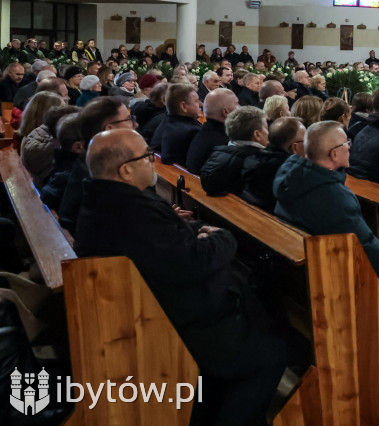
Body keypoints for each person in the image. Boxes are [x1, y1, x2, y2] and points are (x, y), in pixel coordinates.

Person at [74, 128, 288, 425]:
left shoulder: (108, 200)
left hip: (163, 307)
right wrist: (223, 238)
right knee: (273, 352)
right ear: (125, 171)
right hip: (180, 324)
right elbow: (193, 262)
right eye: (147, 156)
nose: (152, 160)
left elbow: (170, 245)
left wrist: (195, 233)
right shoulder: (130, 212)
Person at [274, 121, 379, 332]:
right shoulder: (332, 196)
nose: (350, 147)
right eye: (346, 143)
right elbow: (365, 246)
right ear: (334, 154)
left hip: (308, 269)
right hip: (333, 278)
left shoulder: (293, 176)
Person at [58, 96, 137, 233]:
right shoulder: (102, 175)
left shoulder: (92, 160)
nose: (135, 124)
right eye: (129, 119)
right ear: (109, 129)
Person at [200, 106, 269, 198]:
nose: (269, 132)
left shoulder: (217, 154)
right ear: (257, 134)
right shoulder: (258, 163)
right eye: (266, 128)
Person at [186, 88, 239, 174]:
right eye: (237, 104)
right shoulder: (222, 144)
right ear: (226, 112)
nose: (240, 108)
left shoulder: (204, 133)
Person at [154, 83, 203, 166]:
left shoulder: (165, 122)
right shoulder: (192, 132)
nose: (201, 104)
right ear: (183, 106)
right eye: (196, 101)